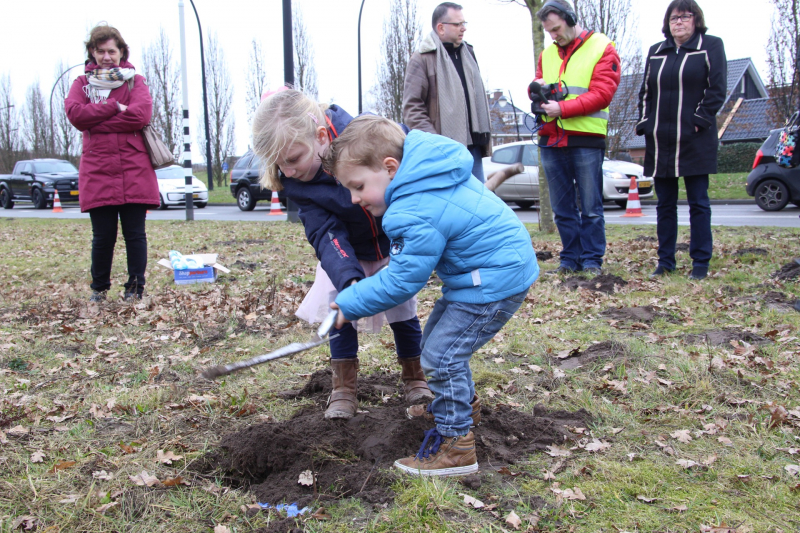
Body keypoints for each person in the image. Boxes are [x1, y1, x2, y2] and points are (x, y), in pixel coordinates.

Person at [323, 115, 539, 477]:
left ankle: (457, 447)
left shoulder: (413, 206)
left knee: (442, 356)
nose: (354, 198)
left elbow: (403, 280)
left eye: (358, 186)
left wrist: (351, 302)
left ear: (390, 168)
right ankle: (457, 409)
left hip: (493, 280)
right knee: (436, 345)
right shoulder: (431, 174)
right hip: (481, 276)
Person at [250, 89, 433, 420]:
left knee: (403, 309)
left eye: (293, 159)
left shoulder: (365, 138)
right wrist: (349, 278)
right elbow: (325, 231)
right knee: (339, 305)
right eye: (278, 164)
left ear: (321, 136)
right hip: (346, 251)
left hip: (393, 242)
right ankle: (344, 388)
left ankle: (415, 377)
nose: (287, 171)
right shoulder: (297, 183)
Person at [65, 24, 160, 301]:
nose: (106, 56)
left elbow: (140, 116)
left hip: (134, 168)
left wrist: (96, 123)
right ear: (92, 53)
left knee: (135, 234)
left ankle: (135, 289)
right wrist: (113, 107)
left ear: (121, 52)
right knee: (103, 236)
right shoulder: (81, 84)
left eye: (111, 51)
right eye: (100, 51)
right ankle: (99, 289)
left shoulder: (135, 82)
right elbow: (75, 115)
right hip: (98, 170)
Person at [636, 0, 726, 281]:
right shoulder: (656, 52)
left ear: (695, 20)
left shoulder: (710, 45)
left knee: (699, 202)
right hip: (661, 141)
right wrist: (644, 123)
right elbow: (645, 93)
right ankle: (665, 261)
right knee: (665, 204)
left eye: (685, 17)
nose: (679, 22)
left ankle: (700, 262)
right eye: (674, 18)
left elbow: (717, 89)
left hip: (694, 139)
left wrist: (698, 121)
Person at [532, 0, 620, 276]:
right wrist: (536, 92)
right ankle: (570, 259)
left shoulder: (601, 47)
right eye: (549, 32)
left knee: (591, 206)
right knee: (562, 208)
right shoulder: (547, 54)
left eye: (557, 29)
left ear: (570, 19)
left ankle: (592, 259)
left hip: (585, 138)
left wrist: (563, 108)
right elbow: (538, 83)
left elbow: (603, 93)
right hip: (551, 138)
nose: (554, 36)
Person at [402, 2, 492, 183]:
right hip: (443, 152)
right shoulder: (422, 58)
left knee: (477, 205)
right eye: (458, 24)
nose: (463, 28)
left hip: (473, 148)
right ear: (441, 28)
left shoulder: (469, 54)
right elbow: (412, 108)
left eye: (464, 23)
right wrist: (436, 142)